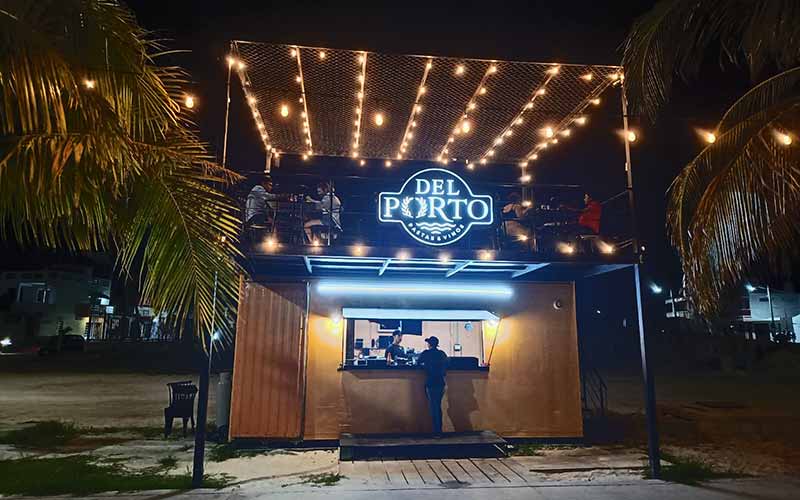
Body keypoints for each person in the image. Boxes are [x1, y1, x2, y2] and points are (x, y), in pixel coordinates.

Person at [417, 336, 448, 437]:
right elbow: (448, 363)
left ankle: (436, 432)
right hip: (441, 383)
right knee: (437, 407)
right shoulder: (442, 354)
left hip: (431, 383)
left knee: (433, 408)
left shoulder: (426, 353)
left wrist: (425, 366)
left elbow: (418, 362)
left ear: (429, 344)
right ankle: (438, 431)